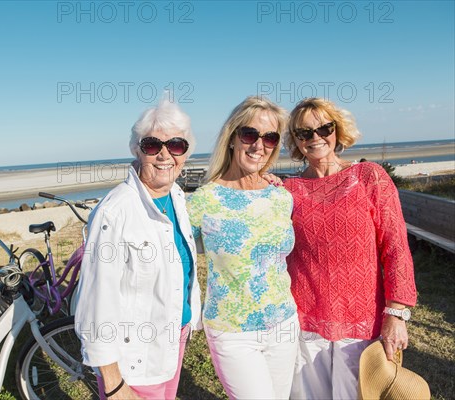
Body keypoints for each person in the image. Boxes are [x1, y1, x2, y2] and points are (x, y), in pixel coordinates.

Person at [283, 97, 417, 399]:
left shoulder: (369, 177)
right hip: (304, 322)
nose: (315, 138)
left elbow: (395, 248)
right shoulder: (287, 190)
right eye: (304, 133)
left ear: (337, 130)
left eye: (323, 128)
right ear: (295, 141)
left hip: (362, 321)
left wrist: (396, 315)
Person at [74, 97, 202, 400]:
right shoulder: (115, 211)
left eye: (176, 145)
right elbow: (94, 302)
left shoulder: (178, 198)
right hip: (136, 360)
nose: (164, 155)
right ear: (137, 149)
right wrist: (114, 382)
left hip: (172, 342)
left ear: (186, 152)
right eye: (151, 145)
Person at [187, 96, 298, 399]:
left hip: (284, 323)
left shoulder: (280, 197)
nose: (258, 145)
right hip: (232, 332)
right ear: (233, 138)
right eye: (250, 134)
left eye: (270, 137)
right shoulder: (204, 200)